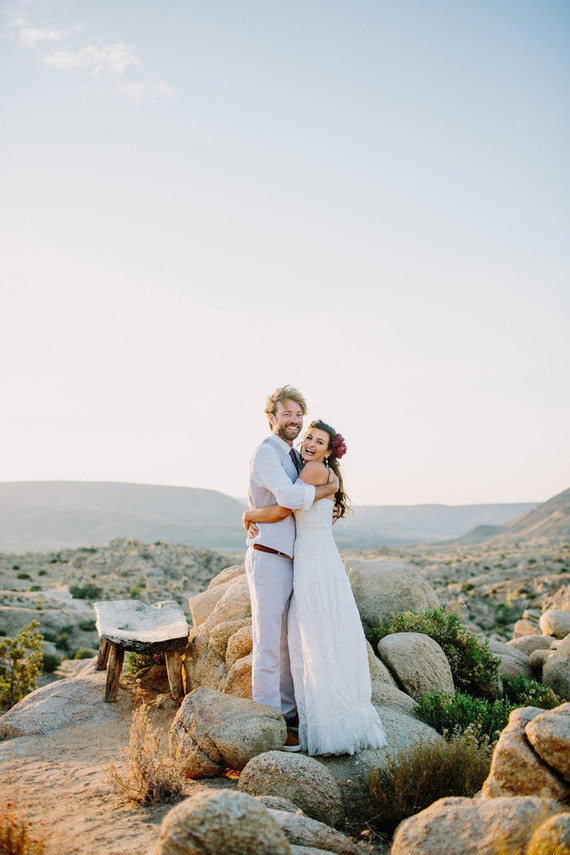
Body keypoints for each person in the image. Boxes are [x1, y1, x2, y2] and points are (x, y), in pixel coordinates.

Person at [243, 419, 387, 756]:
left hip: (310, 559)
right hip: (318, 556)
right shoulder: (321, 471)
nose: (309, 442)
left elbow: (282, 508)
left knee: (313, 635)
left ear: (327, 450)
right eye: (309, 436)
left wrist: (248, 514)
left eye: (319, 441)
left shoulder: (312, 472)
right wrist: (330, 487)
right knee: (323, 633)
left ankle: (318, 721)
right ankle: (325, 713)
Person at [245, 386, 339, 749]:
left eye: (299, 415)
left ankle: (287, 713)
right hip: (268, 555)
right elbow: (286, 501)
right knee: (267, 643)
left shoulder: (295, 456)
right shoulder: (266, 454)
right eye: (288, 414)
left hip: (292, 560)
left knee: (286, 645)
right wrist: (322, 491)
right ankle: (268, 722)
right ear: (271, 418)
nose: (295, 421)